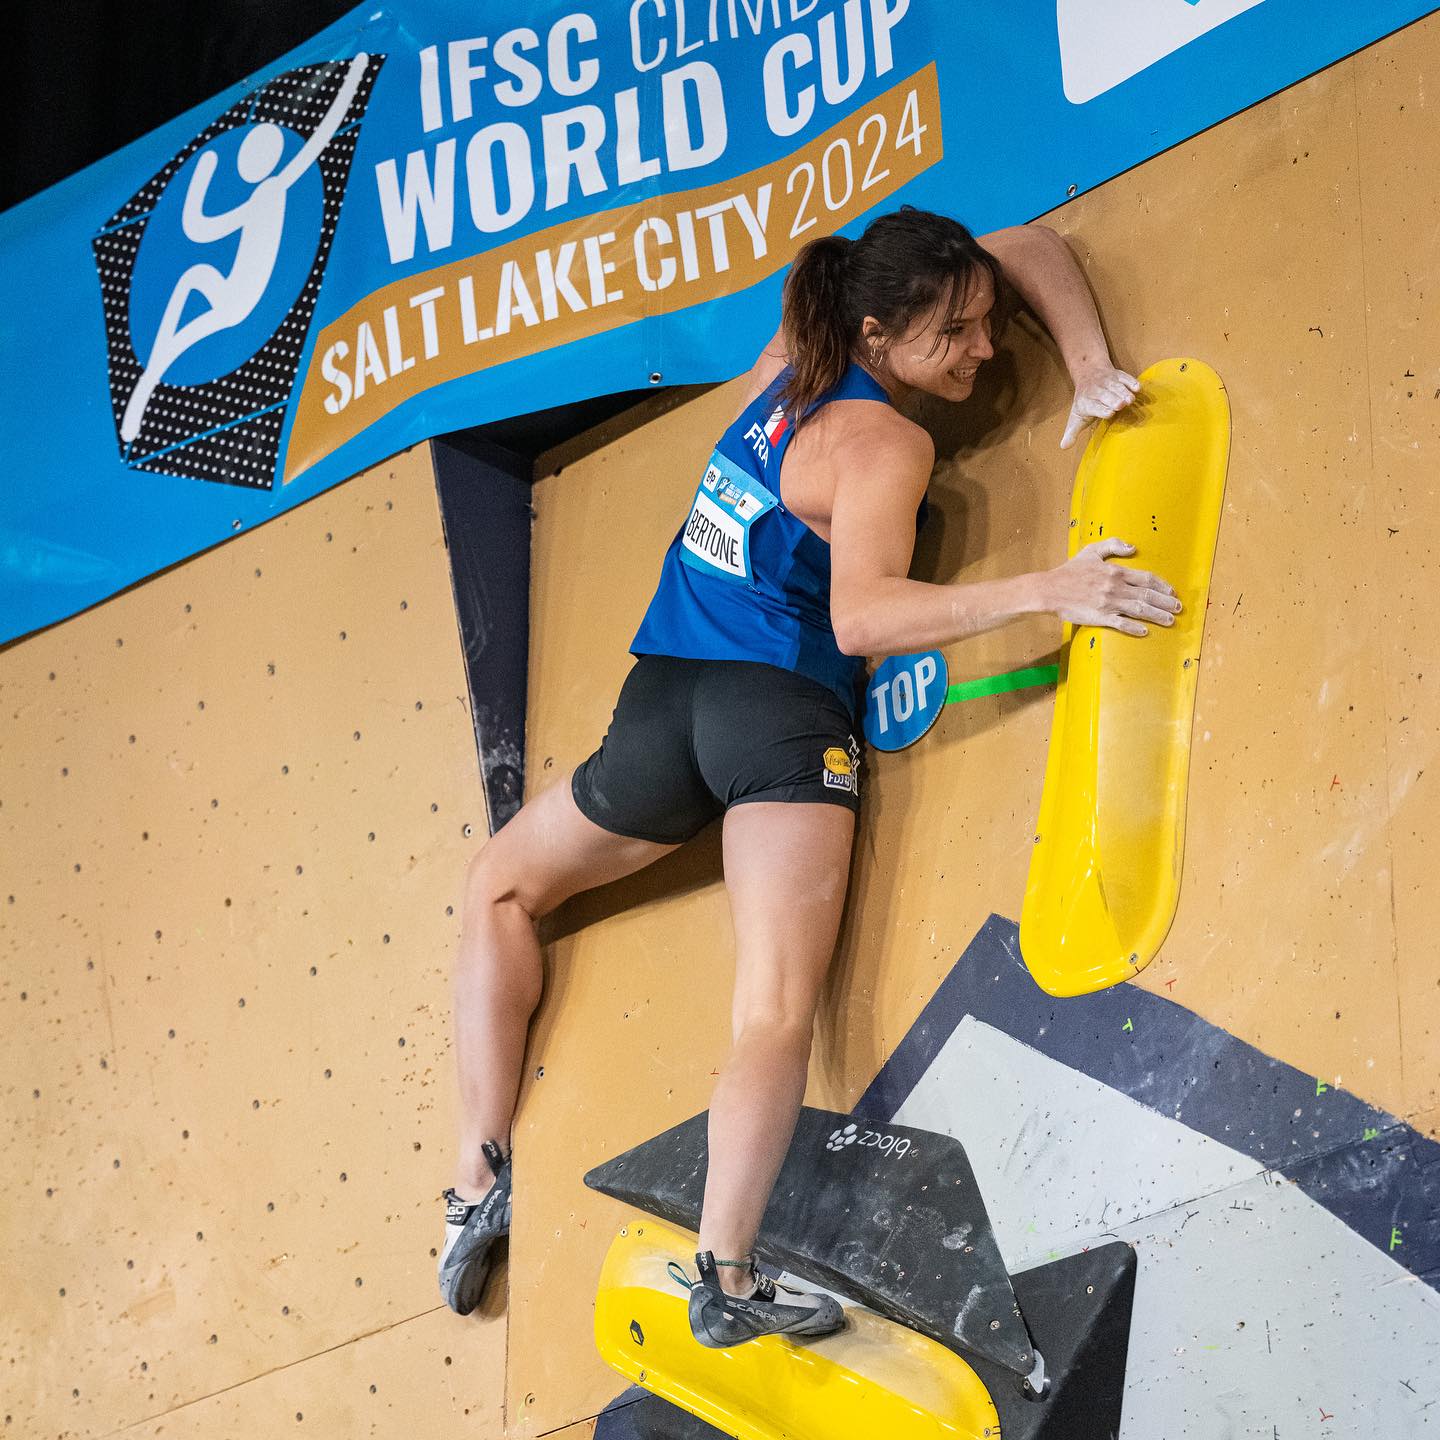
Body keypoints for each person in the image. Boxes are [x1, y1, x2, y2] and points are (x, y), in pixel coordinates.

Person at [436, 206, 1180, 1347]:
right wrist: (1050, 588)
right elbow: (865, 613)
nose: (983, 351)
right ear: (879, 335)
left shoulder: (797, 344)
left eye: (986, 324)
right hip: (776, 716)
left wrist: (1086, 367)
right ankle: (726, 1280)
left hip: (662, 706)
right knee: (775, 1009)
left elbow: (1022, 245)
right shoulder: (888, 443)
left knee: (499, 884)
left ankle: (478, 1172)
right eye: (955, 337)